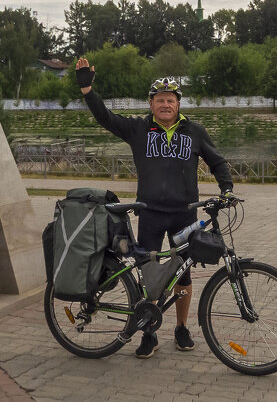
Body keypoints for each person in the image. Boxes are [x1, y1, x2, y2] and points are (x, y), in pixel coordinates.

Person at [75, 57, 234, 359]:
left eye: (170, 100)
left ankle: (182, 328)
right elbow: (105, 118)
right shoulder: (138, 130)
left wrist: (226, 188)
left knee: (182, 276)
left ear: (178, 104)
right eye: (159, 100)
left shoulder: (195, 132)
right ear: (151, 104)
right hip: (149, 213)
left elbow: (217, 162)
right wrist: (87, 90)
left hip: (185, 214)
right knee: (149, 276)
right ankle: (149, 333)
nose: (164, 104)